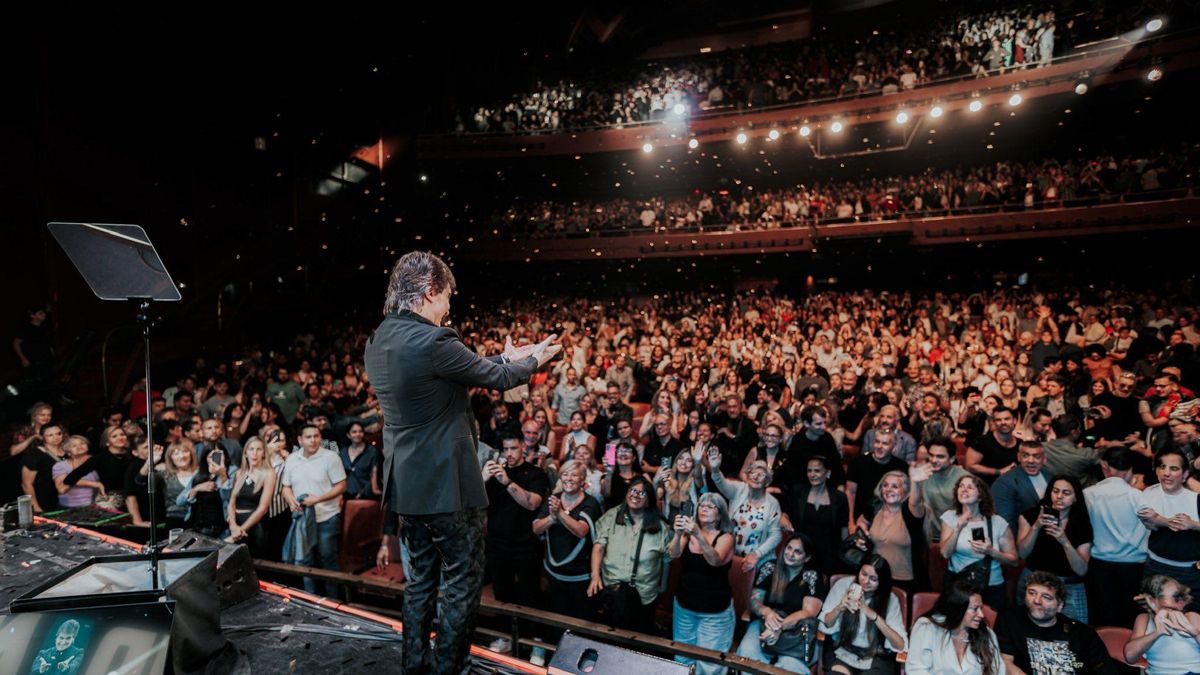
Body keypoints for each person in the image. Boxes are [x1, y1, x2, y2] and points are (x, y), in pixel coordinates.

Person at [363, 251, 559, 674]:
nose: (449, 306)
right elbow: (497, 380)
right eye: (447, 296)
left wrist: (508, 357)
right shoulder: (435, 340)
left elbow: (462, 369)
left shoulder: (380, 338)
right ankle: (449, 668)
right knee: (463, 584)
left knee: (419, 585)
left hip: (408, 487)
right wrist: (532, 361)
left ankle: (414, 665)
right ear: (429, 292)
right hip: (449, 486)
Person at [588, 475, 672, 634]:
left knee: (638, 641)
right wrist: (595, 575)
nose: (635, 495)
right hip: (613, 591)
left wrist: (663, 588)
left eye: (642, 493)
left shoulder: (661, 528)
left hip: (644, 595)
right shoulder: (612, 516)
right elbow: (599, 546)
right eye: (633, 490)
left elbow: (667, 560)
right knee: (610, 638)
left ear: (649, 500)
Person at [994, 570, 1119, 674]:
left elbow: (1105, 671)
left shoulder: (1082, 633)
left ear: (1060, 606)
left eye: (1046, 597)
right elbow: (1005, 662)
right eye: (1032, 593)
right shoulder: (1009, 620)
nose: (1036, 600)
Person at [736, 534, 827, 673]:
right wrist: (766, 611)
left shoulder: (812, 575)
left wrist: (779, 627)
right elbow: (755, 599)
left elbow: (809, 612)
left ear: (806, 557)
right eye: (789, 548)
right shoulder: (770, 567)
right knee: (746, 653)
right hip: (764, 624)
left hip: (796, 631)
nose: (790, 554)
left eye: (797, 551)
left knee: (790, 667)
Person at [668, 492, 736, 675]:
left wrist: (698, 535)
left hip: (714, 613)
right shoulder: (688, 533)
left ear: (720, 514)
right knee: (682, 658)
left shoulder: (726, 537)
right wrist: (677, 535)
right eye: (701, 505)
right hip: (685, 606)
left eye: (710, 506)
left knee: (710, 665)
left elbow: (714, 560)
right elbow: (673, 554)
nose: (703, 509)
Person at [1083, 445, 1149, 627]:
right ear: (1130, 469)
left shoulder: (1088, 494)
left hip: (1099, 566)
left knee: (1101, 619)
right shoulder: (1137, 496)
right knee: (1129, 621)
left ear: (1105, 466)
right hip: (1133, 568)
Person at [532, 459, 603, 624]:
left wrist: (560, 513)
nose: (569, 478)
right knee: (558, 619)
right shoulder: (554, 498)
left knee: (582, 622)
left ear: (582, 480)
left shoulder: (590, 503)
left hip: (581, 576)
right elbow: (536, 528)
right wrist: (551, 518)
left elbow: (581, 531)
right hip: (556, 574)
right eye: (565, 474)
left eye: (574, 475)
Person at [483, 433, 549, 607]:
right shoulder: (494, 474)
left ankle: (530, 633)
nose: (509, 453)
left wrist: (507, 482)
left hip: (526, 544)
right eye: (505, 449)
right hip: (497, 544)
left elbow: (532, 504)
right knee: (502, 595)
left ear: (523, 448)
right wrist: (482, 480)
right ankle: (502, 633)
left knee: (529, 595)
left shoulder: (536, 473)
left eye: (513, 448)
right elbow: (475, 505)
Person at [1015, 474, 1092, 622]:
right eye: (1055, 491)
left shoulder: (1081, 524)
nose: (1059, 496)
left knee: (1072, 634)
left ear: (1076, 498)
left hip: (1068, 585)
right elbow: (1022, 553)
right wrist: (1036, 527)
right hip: (1034, 581)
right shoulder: (1030, 516)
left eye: (1066, 493)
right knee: (1027, 628)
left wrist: (1064, 541)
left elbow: (1081, 569)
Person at [281, 424, 348, 595]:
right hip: (302, 518)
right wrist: (290, 499)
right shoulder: (292, 459)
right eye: (309, 437)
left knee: (327, 559)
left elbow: (341, 485)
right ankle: (309, 599)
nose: (313, 440)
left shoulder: (330, 457)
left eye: (316, 436)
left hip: (326, 516)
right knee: (305, 561)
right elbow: (285, 487)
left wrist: (318, 499)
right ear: (300, 440)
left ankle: (332, 602)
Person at [818, 555, 908, 674]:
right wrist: (839, 608)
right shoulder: (843, 586)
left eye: (873, 579)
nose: (866, 581)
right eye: (864, 574)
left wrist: (874, 617)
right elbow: (826, 624)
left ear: (882, 581)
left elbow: (900, 644)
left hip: (876, 656)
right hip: (844, 652)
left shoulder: (890, 599)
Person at [940, 474, 1019, 609]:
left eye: (970, 487)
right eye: (961, 486)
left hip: (990, 585)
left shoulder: (997, 522)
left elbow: (1014, 561)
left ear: (981, 496)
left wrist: (991, 551)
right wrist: (958, 528)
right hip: (958, 585)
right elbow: (945, 553)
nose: (964, 489)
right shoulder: (950, 517)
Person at [1137, 447, 1200, 611]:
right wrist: (1163, 521)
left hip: (1188, 571)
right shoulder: (1149, 493)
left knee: (1189, 617)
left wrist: (1193, 525)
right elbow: (1148, 523)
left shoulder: (1195, 498)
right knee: (1151, 615)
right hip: (1155, 565)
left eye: (1174, 468)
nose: (1166, 473)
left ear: (1185, 474)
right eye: (1162, 467)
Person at [906, 581, 1005, 675]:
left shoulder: (986, 634)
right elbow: (916, 669)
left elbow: (997, 671)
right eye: (975, 609)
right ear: (958, 608)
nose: (981, 615)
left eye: (981, 608)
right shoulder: (927, 628)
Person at [855, 470, 928, 593]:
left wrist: (915, 482)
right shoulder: (875, 507)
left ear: (905, 492)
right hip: (875, 579)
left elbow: (916, 502)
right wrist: (861, 537)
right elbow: (861, 521)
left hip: (905, 582)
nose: (888, 489)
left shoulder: (910, 512)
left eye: (895, 486)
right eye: (885, 485)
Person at [709, 453, 782, 572]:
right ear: (747, 476)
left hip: (758, 561)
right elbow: (721, 483)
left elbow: (776, 535)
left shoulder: (772, 503)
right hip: (731, 555)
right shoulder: (739, 489)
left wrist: (757, 554)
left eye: (762, 474)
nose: (756, 476)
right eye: (752, 472)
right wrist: (715, 469)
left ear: (767, 482)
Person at [782, 456, 849, 576]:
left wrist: (843, 553)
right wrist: (784, 518)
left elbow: (844, 528)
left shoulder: (839, 498)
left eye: (817, 471)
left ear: (827, 473)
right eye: (809, 470)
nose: (812, 474)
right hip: (801, 553)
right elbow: (785, 513)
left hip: (829, 556)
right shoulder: (798, 492)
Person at [1124, 574, 1200, 673]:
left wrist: (1195, 633)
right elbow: (1130, 657)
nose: (1181, 603)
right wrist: (1157, 633)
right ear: (1152, 601)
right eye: (1175, 597)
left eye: (1182, 596)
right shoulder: (1144, 619)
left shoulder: (1191, 616)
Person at [226, 436, 276, 557]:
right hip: (236, 525)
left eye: (259, 449)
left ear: (264, 453)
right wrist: (233, 526)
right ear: (246, 453)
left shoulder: (269, 474)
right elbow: (231, 503)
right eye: (251, 449)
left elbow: (263, 508)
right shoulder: (239, 473)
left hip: (254, 526)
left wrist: (240, 531)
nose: (254, 453)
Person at [991, 441, 1052, 531]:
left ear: (1044, 459)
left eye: (1037, 456)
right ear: (1018, 457)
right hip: (1023, 537)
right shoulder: (1004, 483)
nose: (1031, 461)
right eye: (1025, 456)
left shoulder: (1049, 475)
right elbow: (1005, 522)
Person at [21, 422, 66, 514]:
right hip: (46, 503)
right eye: (50, 435)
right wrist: (36, 508)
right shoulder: (35, 454)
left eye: (58, 433)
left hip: (69, 501)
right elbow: (26, 484)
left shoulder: (68, 451)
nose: (56, 437)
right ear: (42, 437)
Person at [52, 436, 102, 508]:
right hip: (69, 508)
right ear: (68, 452)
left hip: (95, 505)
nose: (79, 447)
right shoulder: (60, 466)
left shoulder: (98, 461)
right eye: (74, 446)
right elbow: (61, 489)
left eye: (82, 443)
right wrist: (94, 484)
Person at [338, 422, 380, 500]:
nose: (358, 434)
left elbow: (374, 475)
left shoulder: (372, 451)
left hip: (366, 495)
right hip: (346, 496)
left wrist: (363, 492)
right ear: (348, 435)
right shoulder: (343, 452)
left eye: (360, 431)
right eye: (354, 432)